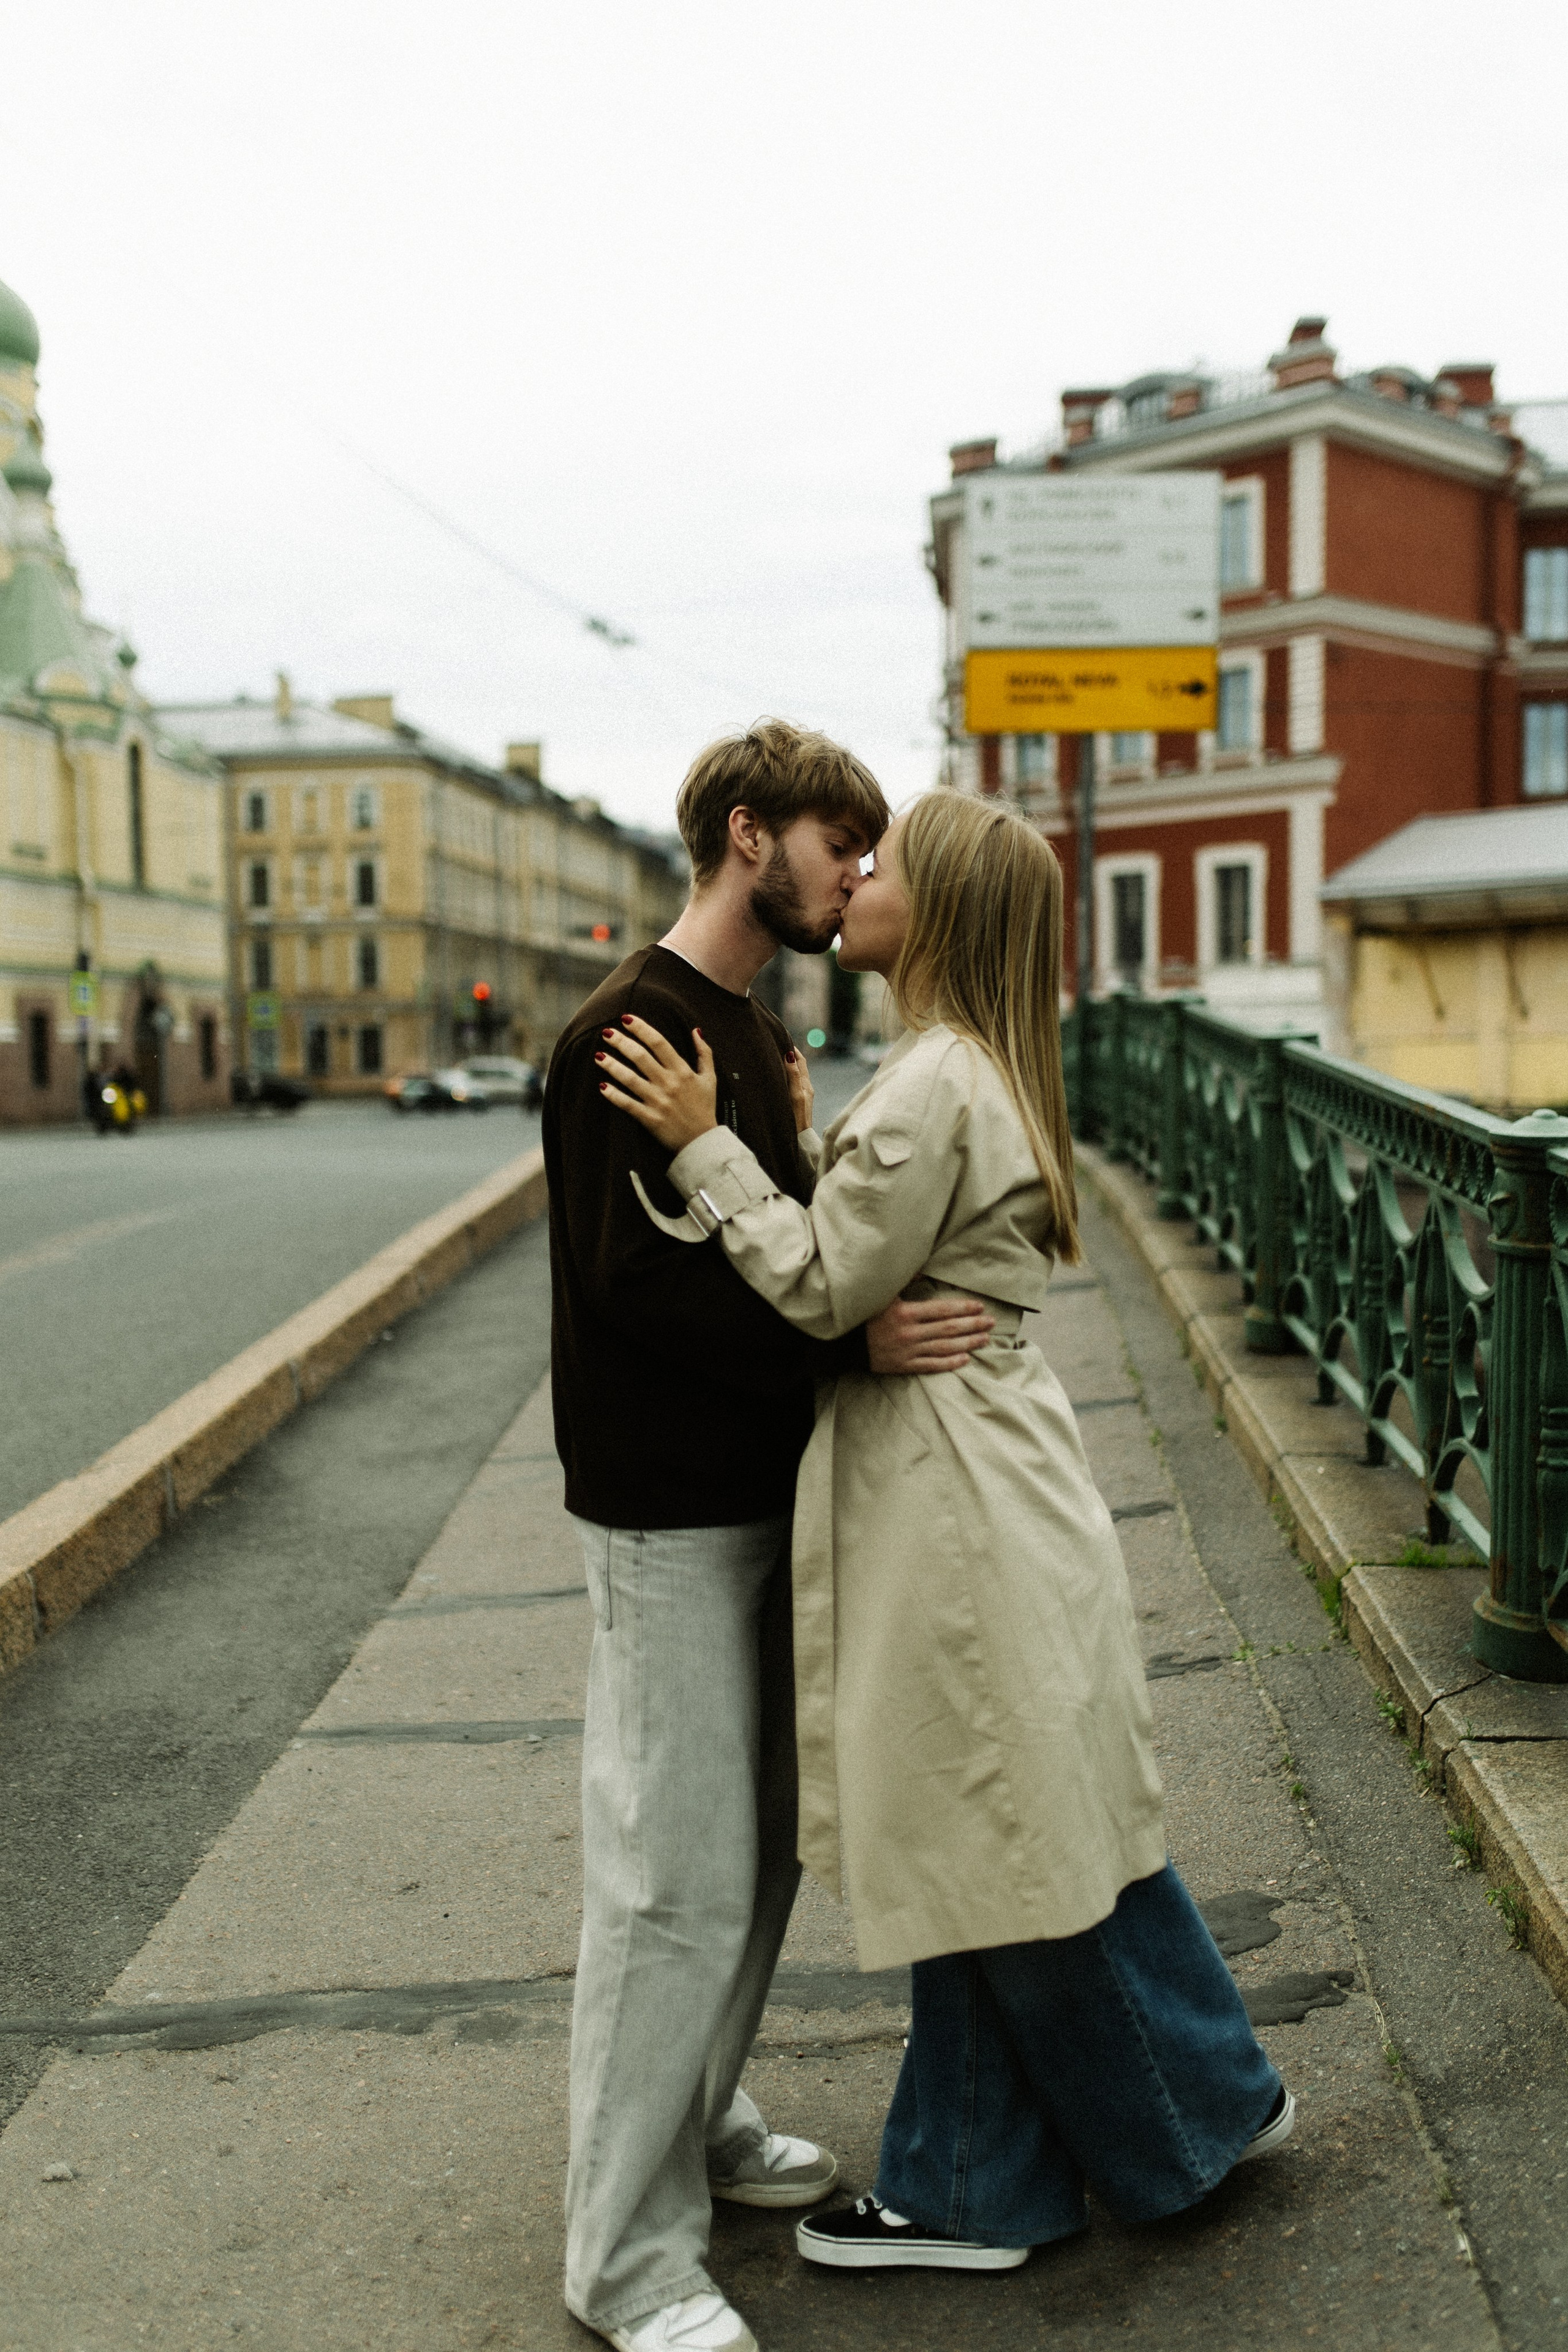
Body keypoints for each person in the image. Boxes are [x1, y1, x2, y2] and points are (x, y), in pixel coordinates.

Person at [598, 788, 1292, 2283]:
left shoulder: (929, 1081)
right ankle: (977, 2178)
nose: (855, 878)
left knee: (993, 1830)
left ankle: (1173, 2115)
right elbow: (876, 1242)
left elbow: (819, 1285)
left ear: (940, 912)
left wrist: (710, 1146)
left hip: (950, 1494)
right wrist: (801, 1137)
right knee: (991, 1828)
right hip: (976, 1468)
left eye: (884, 863)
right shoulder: (957, 1067)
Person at [543, 725, 997, 2352]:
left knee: (758, 1858)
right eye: (837, 843)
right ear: (751, 835)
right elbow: (638, 1294)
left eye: (870, 851)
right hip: (666, 1512)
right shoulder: (628, 1029)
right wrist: (846, 1343)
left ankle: (697, 2113)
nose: (854, 874)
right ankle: (624, 2257)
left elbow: (769, 1236)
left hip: (765, 1494)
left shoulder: (743, 1026)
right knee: (669, 1882)